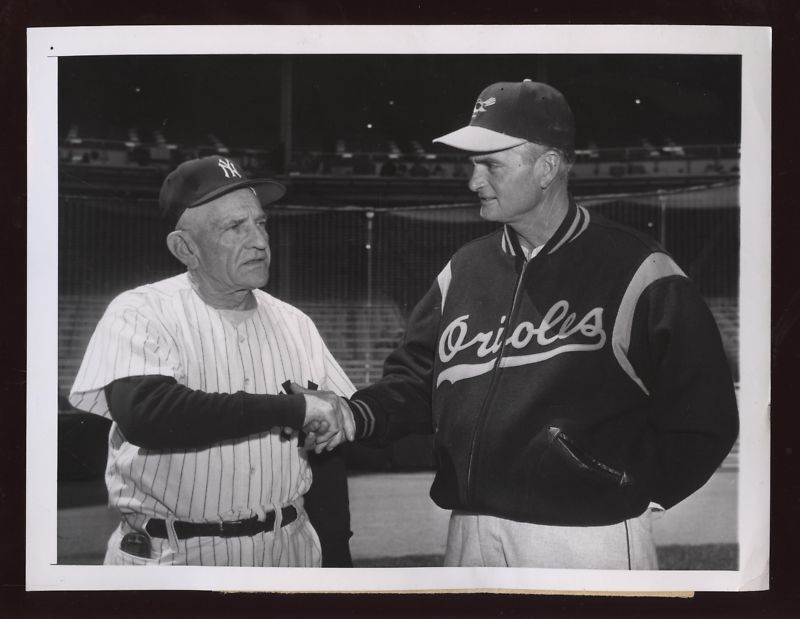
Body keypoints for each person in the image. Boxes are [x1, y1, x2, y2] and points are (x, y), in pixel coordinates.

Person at [328, 80, 739, 569]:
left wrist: (636, 494)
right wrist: (357, 413)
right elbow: (417, 382)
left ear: (547, 168)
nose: (473, 181)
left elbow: (706, 412)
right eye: (473, 164)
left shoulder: (636, 268)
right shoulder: (463, 270)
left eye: (491, 164)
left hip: (587, 537)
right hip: (471, 530)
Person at [69, 155, 356, 567]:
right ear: (186, 248)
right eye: (235, 227)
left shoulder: (297, 324)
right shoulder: (140, 311)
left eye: (260, 223)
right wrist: (293, 408)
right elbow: (147, 414)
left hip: (288, 549)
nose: (258, 240)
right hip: (169, 557)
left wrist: (338, 554)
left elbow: (327, 449)